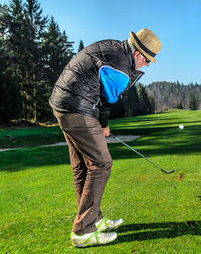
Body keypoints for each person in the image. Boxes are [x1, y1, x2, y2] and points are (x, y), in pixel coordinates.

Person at [49, 29, 162, 247]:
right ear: (138, 54)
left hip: (64, 102)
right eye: (148, 60)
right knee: (101, 163)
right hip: (77, 107)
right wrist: (103, 124)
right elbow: (108, 99)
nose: (147, 65)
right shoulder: (121, 67)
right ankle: (83, 231)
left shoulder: (114, 47)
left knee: (83, 165)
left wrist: (102, 123)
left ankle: (93, 219)